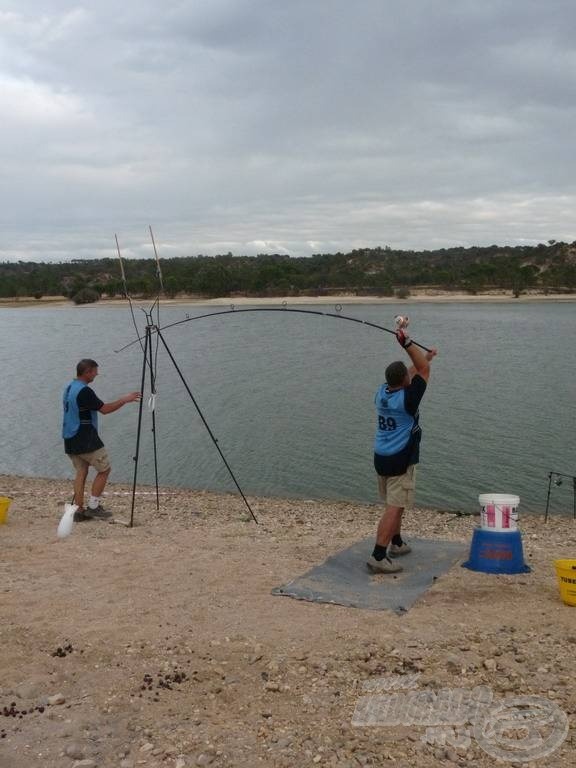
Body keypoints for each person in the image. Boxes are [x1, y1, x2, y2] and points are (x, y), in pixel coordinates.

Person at [367, 325, 437, 574]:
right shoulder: (408, 399)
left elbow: (413, 371)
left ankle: (396, 543)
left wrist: (424, 357)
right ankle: (378, 555)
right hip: (400, 459)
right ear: (406, 381)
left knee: (395, 501)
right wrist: (406, 344)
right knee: (394, 506)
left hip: (381, 457)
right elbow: (422, 372)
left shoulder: (381, 393)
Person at [62, 359, 141, 521]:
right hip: (86, 439)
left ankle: (78, 509)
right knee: (104, 470)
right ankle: (93, 507)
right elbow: (105, 409)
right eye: (95, 371)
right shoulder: (84, 391)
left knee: (81, 472)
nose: (97, 374)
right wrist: (124, 400)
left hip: (69, 437)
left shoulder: (69, 387)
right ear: (88, 372)